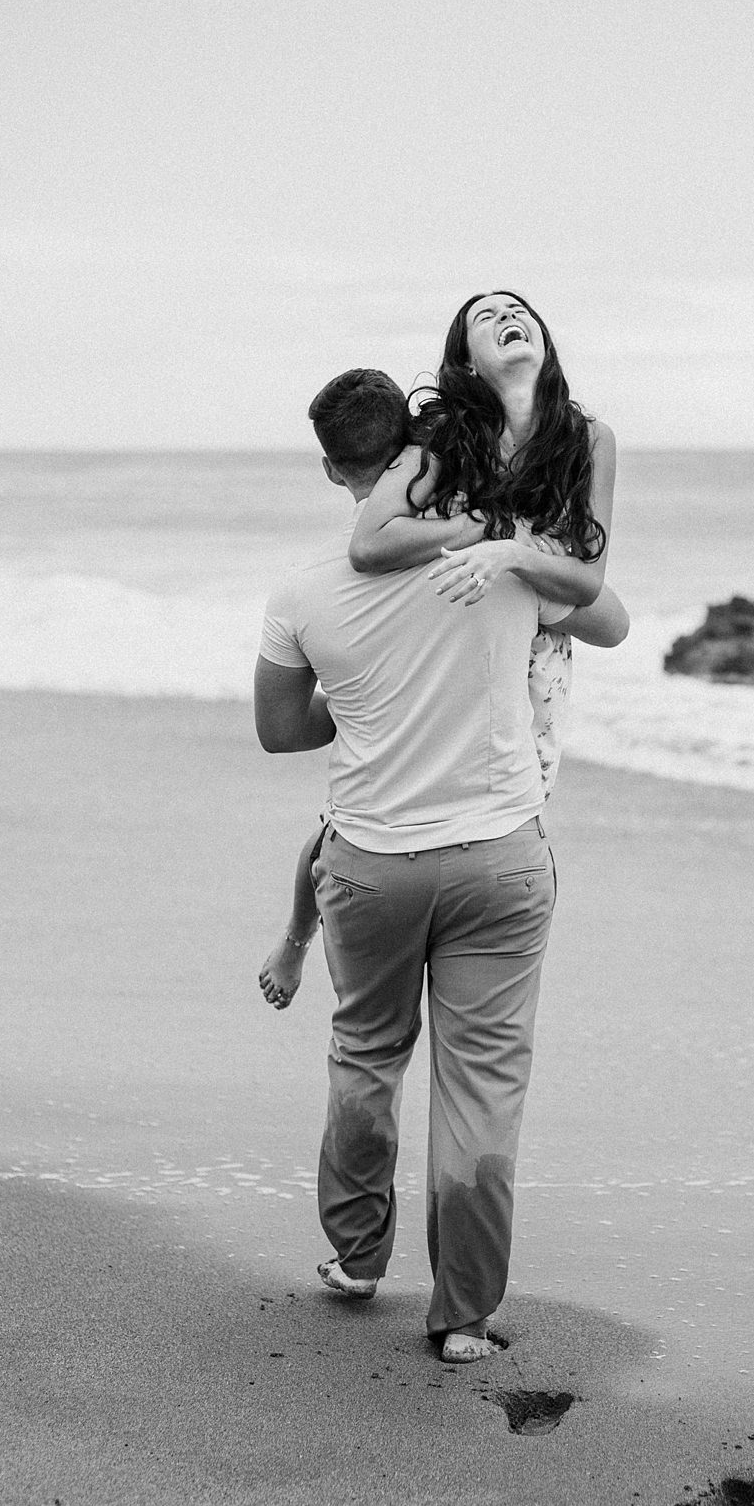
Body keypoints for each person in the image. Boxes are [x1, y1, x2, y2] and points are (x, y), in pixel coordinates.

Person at [254, 356, 623, 1364]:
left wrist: (363, 694)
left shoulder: (304, 594)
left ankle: (358, 1259)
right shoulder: (497, 563)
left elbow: (281, 732)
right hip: (499, 860)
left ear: (338, 471)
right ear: (419, 447)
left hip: (371, 863)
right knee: (483, 1085)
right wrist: (522, 556)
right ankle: (461, 1318)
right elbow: (610, 618)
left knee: (367, 1058)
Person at [259, 290, 624, 1009]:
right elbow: (372, 544)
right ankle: (297, 935)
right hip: (495, 584)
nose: (506, 317)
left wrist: (510, 554)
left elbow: (597, 594)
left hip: (527, 589)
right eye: (484, 317)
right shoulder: (447, 444)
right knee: (355, 821)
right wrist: (482, 539)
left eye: (516, 308)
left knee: (491, 793)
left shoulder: (589, 439)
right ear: (463, 362)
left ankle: (305, 934)